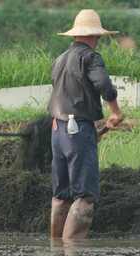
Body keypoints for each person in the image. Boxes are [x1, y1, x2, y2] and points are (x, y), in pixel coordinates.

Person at [48, 9, 123, 240]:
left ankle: (56, 254)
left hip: (57, 129)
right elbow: (104, 84)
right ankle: (74, 255)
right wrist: (115, 111)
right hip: (77, 128)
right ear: (95, 37)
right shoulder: (90, 57)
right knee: (85, 195)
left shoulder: (60, 59)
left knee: (61, 194)